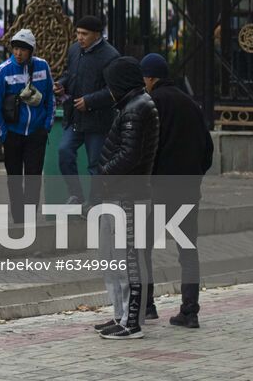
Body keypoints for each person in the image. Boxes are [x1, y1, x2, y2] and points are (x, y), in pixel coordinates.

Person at [140, 53, 213, 329]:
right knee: (187, 250)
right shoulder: (191, 104)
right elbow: (207, 149)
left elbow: (148, 147)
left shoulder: (151, 103)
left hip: (160, 190)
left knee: (142, 247)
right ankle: (190, 311)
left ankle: (146, 305)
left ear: (150, 78)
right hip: (189, 189)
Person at [92, 56, 159, 340]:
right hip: (117, 194)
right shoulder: (131, 105)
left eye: (111, 84)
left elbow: (129, 155)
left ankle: (131, 322)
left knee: (128, 259)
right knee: (110, 257)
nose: (109, 91)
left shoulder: (138, 107)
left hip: (128, 195)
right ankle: (120, 314)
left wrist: (104, 172)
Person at [0, 28, 55, 224]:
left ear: (31, 51)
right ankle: (18, 218)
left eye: (23, 50)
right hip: (13, 133)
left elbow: (50, 97)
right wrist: (3, 133)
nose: (18, 53)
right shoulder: (4, 70)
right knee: (14, 178)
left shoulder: (43, 67)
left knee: (34, 178)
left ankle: (29, 218)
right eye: (15, 49)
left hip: (36, 133)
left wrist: (46, 126)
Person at [58, 14, 119, 204]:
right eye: (77, 33)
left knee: (96, 165)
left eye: (84, 34)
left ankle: (94, 204)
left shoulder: (111, 56)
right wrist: (61, 85)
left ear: (97, 34)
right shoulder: (74, 50)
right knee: (64, 151)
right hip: (75, 117)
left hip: (98, 121)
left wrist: (89, 101)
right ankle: (76, 195)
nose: (79, 38)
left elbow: (114, 90)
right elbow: (69, 74)